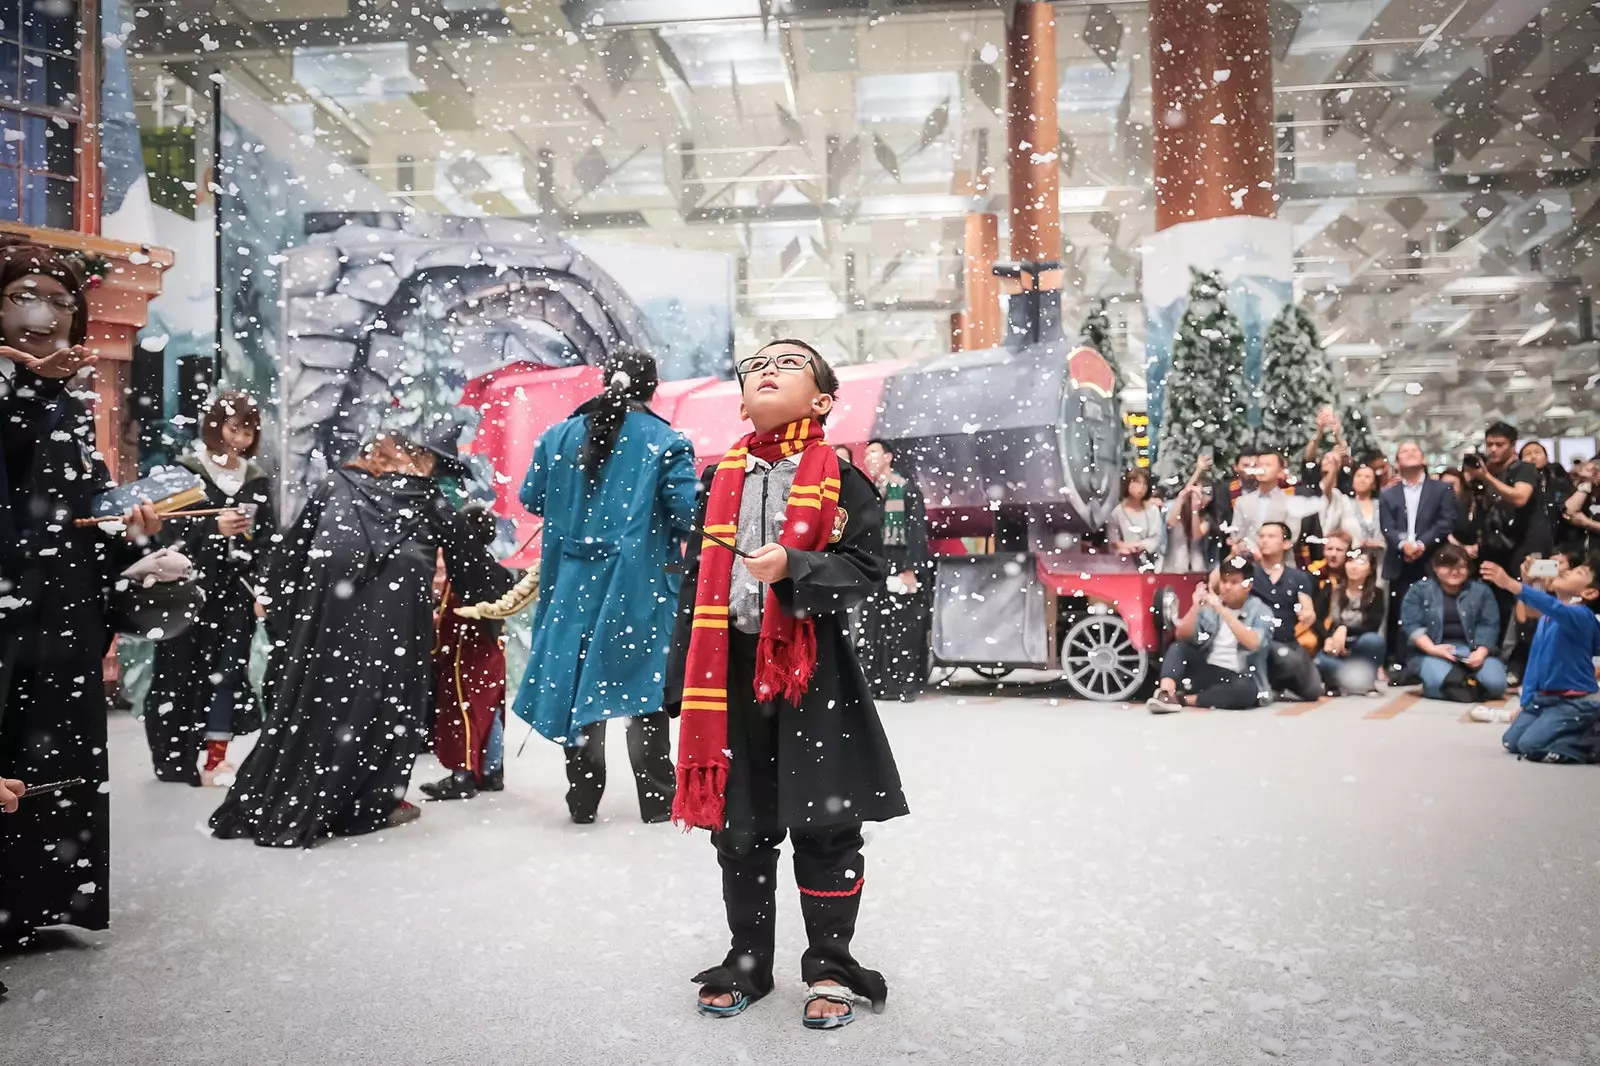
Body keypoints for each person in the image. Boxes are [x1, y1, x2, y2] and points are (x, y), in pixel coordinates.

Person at [665, 338, 906, 1028]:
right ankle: (748, 960)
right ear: (742, 400)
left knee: (827, 823)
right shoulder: (722, 480)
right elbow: (696, 581)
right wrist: (681, 672)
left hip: (813, 671)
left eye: (789, 364)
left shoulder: (844, 479)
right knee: (741, 826)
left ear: (824, 401)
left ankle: (829, 964)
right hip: (731, 676)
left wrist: (798, 567)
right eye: (756, 367)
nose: (767, 371)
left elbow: (865, 570)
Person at [208, 423, 512, 847]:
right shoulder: (428, 501)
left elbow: (285, 566)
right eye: (434, 465)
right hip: (395, 633)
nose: (434, 474)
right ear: (418, 459)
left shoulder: (333, 487)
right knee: (386, 712)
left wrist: (290, 619)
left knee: (317, 708)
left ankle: (297, 793)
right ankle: (370, 800)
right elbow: (478, 578)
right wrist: (512, 587)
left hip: (325, 633)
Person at [0, 244, 164, 949]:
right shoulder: (26, 392)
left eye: (60, 301)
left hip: (63, 607)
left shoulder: (67, 403)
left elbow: (87, 500)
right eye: (24, 295)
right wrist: (35, 389)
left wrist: (134, 528)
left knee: (59, 745)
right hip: (10, 605)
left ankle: (41, 897)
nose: (41, 312)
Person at [512, 350, 696, 825]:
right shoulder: (665, 442)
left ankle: (583, 800)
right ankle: (658, 801)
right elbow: (688, 515)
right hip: (638, 590)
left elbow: (531, 498)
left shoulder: (556, 437)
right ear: (651, 389)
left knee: (579, 694)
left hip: (570, 591)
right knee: (643, 692)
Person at [142, 391, 275, 788]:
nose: (241, 437)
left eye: (249, 429)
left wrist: (260, 589)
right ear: (216, 427)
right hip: (185, 590)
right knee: (176, 672)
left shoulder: (256, 478)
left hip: (235, 591)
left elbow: (267, 539)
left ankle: (216, 758)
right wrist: (212, 531)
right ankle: (173, 758)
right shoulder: (185, 472)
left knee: (229, 671)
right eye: (235, 427)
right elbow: (166, 533)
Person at [420, 505, 509, 801]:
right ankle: (492, 770)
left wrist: (434, 647)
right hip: (492, 654)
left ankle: (463, 775)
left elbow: (451, 620)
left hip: (466, 656)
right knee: (489, 712)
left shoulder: (464, 573)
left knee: (464, 713)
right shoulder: (494, 570)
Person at [1481, 555, 1600, 763]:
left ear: (1589, 592)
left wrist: (1510, 583)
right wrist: (1526, 702)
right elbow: (1535, 660)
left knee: (1531, 746)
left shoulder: (1583, 616)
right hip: (1546, 699)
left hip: (1575, 702)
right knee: (1512, 741)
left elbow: (1553, 607)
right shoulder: (1548, 616)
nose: (1565, 571)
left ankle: (1590, 739)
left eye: (1577, 572)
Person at [857, 438, 933, 703]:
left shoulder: (905, 489)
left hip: (900, 567)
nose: (868, 459)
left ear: (888, 457)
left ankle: (904, 684)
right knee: (874, 626)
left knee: (903, 628)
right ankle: (877, 683)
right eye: (865, 455)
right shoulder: (869, 491)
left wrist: (910, 569)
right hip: (875, 569)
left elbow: (916, 534)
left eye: (873, 453)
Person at [1147, 556, 1274, 712]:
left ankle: (1184, 699)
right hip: (1208, 669)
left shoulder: (1261, 611)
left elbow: (1253, 642)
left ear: (1248, 586)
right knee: (1178, 647)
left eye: (1233, 583)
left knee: (1246, 691)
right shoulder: (1209, 607)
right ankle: (1166, 694)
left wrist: (1222, 610)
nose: (1227, 587)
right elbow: (1182, 635)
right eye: (1224, 581)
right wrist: (1195, 607)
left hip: (1239, 675)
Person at [1379, 441, 1458, 671]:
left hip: (1431, 560)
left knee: (1431, 610)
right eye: (1405, 451)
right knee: (1400, 612)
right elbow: (1387, 526)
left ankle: (1432, 660)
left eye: (1415, 450)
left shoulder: (1441, 489)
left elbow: (1445, 522)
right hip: (1399, 560)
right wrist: (1404, 545)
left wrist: (1422, 544)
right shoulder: (1388, 494)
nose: (1410, 452)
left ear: (1424, 459)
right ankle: (1399, 663)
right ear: (1397, 463)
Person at [1465, 422, 1544, 639]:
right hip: (1501, 551)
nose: (1492, 449)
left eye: (1499, 444)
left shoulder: (1525, 469)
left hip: (1531, 551)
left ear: (1513, 445)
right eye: (1489, 444)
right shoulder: (1494, 475)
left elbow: (1520, 497)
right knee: (1502, 607)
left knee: (1531, 609)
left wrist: (1486, 477)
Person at [1399, 544, 1505, 701]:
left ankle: (1462, 681)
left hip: (1471, 650)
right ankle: (1460, 682)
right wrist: (1433, 649)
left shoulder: (1481, 591)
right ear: (1435, 568)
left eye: (1461, 567)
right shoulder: (1419, 590)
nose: (1455, 572)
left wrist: (1481, 652)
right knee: (1437, 684)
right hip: (1432, 651)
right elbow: (1411, 625)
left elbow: (1489, 624)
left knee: (1496, 686)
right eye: (1447, 566)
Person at [1241, 522, 1324, 701]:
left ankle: (1278, 682)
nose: (1264, 540)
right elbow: (1217, 581)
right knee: (1287, 660)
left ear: (1286, 544)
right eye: (1261, 536)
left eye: (1271, 536)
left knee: (1313, 691)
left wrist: (1308, 614)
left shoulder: (1297, 577)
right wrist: (1233, 556)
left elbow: (1306, 604)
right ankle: (1268, 682)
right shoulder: (1248, 572)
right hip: (1258, 640)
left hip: (1287, 639)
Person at [1314, 546, 1386, 695]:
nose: (1354, 566)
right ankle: (1340, 680)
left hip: (1359, 644)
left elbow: (1372, 625)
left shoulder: (1376, 594)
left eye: (1361, 562)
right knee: (1320, 660)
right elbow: (1318, 619)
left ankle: (1366, 682)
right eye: (1350, 561)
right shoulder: (1331, 588)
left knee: (1374, 641)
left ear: (1371, 569)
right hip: (1332, 646)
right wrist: (1327, 638)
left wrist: (1344, 630)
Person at [1227, 450, 1321, 555]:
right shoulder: (1243, 502)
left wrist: (1264, 551)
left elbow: (1292, 537)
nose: (1262, 469)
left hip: (1281, 563)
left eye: (1268, 465)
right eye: (1259, 465)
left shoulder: (1289, 502)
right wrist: (1247, 549)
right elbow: (1236, 535)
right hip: (1249, 563)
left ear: (1280, 470)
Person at [1321, 458, 1386, 576]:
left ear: (1374, 484)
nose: (1362, 480)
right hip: (1351, 560)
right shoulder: (1343, 502)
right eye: (1359, 476)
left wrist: (1380, 544)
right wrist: (1333, 470)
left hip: (1379, 560)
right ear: (1353, 481)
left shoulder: (1382, 505)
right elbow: (1327, 491)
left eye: (1367, 477)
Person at [1161, 455, 1213, 572]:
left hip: (1196, 567)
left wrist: (1195, 511)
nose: (1205, 498)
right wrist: (1198, 469)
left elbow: (1195, 536)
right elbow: (1171, 522)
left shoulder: (1205, 517)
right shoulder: (1178, 508)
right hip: (1173, 566)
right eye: (1201, 493)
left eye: (1208, 494)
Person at [1108, 468, 1162, 568]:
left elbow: (1156, 538)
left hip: (1150, 562)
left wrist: (1140, 546)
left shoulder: (1153, 510)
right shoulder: (1117, 512)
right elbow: (1113, 541)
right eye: (1137, 482)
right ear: (1128, 484)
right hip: (1124, 564)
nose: (1141, 488)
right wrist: (1126, 548)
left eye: (1144, 484)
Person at [1562, 459, 1600, 555]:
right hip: (1583, 553)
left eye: (1595, 471)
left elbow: (1582, 521)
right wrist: (1587, 484)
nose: (1592, 474)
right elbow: (1569, 511)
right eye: (1587, 470)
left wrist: (1587, 523)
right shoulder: (1584, 492)